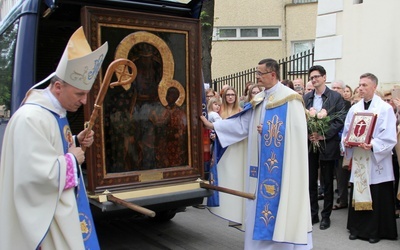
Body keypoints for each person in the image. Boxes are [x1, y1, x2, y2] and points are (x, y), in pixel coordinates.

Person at [0, 27, 108, 249]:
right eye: (79, 94)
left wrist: (76, 141)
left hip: (61, 206)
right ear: (58, 87)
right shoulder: (31, 118)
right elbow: (31, 177)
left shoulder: (55, 112)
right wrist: (71, 160)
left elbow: (51, 150)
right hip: (45, 219)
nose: (85, 101)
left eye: (86, 94)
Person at [200, 58, 312, 249]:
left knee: (282, 206)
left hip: (282, 169)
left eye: (260, 73)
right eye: (257, 73)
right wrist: (214, 125)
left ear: (272, 74)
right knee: (257, 206)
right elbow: (243, 124)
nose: (257, 77)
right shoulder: (260, 98)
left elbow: (298, 134)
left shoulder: (290, 99)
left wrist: (269, 131)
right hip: (259, 169)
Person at [342, 73, 398, 243]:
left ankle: (375, 231)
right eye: (359, 85)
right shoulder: (354, 108)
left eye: (365, 85)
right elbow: (346, 131)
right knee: (359, 190)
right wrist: (347, 143)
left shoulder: (384, 108)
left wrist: (373, 144)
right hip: (359, 157)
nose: (360, 88)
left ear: (374, 87)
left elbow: (389, 136)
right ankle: (356, 229)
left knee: (376, 193)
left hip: (375, 159)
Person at [303, 65, 345, 230]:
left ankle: (325, 216)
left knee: (327, 182)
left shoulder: (335, 97)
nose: (314, 80)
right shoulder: (306, 98)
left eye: (317, 76)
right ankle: (313, 213)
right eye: (312, 77)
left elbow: (339, 120)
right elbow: (301, 119)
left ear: (324, 77)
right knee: (311, 181)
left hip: (328, 144)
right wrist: (309, 134)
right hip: (309, 145)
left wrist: (322, 135)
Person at [330, 80, 352, 211]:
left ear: (344, 91)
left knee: (343, 172)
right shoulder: (329, 103)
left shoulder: (349, 105)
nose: (336, 89)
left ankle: (345, 198)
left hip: (344, 141)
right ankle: (341, 197)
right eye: (333, 87)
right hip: (331, 141)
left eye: (338, 88)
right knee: (336, 173)